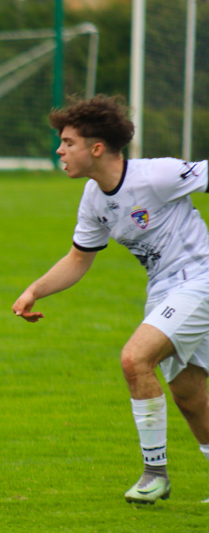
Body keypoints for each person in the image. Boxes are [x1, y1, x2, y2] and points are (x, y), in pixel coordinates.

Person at [12, 95, 209, 504]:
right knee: (189, 394)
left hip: (200, 279)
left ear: (96, 148)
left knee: (135, 359)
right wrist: (34, 289)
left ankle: (155, 474)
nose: (59, 151)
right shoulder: (94, 197)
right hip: (163, 290)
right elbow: (79, 259)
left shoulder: (157, 175)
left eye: (67, 142)